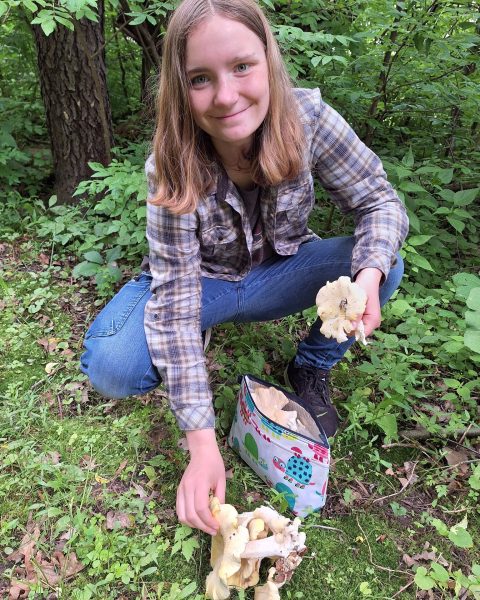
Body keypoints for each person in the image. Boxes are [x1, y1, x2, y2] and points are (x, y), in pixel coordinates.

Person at [81, 0, 408, 537]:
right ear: (178, 89)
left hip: (277, 273)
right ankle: (195, 339)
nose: (226, 95)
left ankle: (311, 367)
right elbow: (177, 295)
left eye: (241, 67)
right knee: (112, 365)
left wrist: (367, 275)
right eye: (200, 79)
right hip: (196, 286)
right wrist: (202, 441)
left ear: (268, 59)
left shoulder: (310, 122)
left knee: (382, 263)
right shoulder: (169, 162)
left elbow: (380, 201)